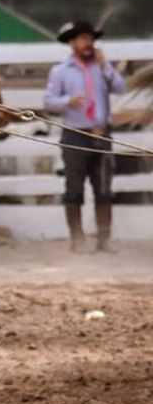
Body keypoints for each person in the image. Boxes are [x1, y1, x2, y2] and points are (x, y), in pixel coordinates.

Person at [43, 20, 126, 253]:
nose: (88, 43)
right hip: (75, 134)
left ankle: (104, 239)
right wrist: (67, 101)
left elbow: (120, 88)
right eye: (83, 39)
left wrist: (106, 66)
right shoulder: (60, 71)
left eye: (90, 39)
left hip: (101, 133)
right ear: (72, 43)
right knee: (74, 187)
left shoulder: (102, 68)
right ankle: (77, 239)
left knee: (104, 187)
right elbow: (48, 101)